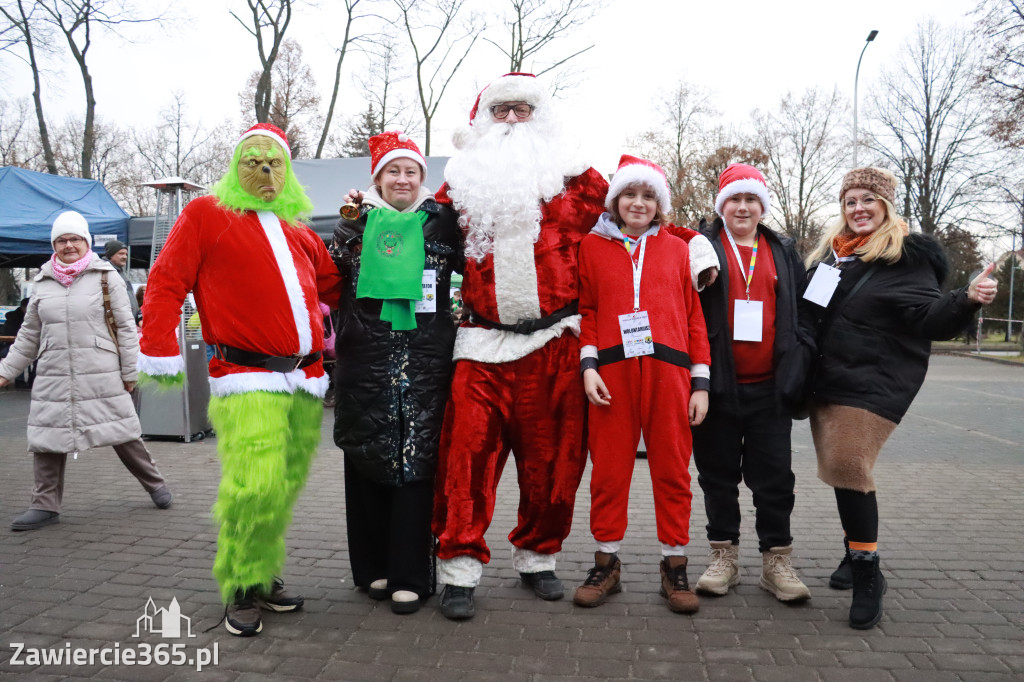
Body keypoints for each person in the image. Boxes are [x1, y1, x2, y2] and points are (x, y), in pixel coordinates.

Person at [138, 123, 342, 637]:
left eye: (275, 163)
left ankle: (263, 572)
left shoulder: (297, 228)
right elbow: (165, 281)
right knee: (255, 485)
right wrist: (160, 351)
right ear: (236, 167)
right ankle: (240, 586)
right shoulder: (206, 213)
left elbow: (336, 286)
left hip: (306, 380)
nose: (266, 171)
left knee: (285, 486)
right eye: (253, 161)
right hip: (245, 376)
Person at [429, 73, 609, 620]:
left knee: (553, 466)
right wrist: (365, 218)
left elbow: (639, 214)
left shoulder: (577, 183)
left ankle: (538, 558)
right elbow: (412, 229)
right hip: (481, 344)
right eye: (501, 110)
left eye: (522, 111)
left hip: (554, 345)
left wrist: (697, 247)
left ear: (541, 117)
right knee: (464, 463)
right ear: (483, 118)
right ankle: (458, 568)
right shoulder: (458, 186)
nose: (510, 120)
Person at [801, 167, 997, 629]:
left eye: (868, 199)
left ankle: (869, 573)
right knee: (840, 468)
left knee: (849, 464)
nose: (858, 208)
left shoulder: (905, 256)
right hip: (826, 381)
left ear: (886, 205)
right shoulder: (830, 259)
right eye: (850, 201)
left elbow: (929, 317)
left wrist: (966, 299)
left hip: (874, 382)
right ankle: (856, 552)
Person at [571, 155, 711, 614]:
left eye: (648, 195)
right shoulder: (590, 248)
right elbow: (587, 311)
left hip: (669, 373)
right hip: (611, 373)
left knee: (672, 470)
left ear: (659, 204)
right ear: (614, 200)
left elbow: (694, 318)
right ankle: (606, 564)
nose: (638, 202)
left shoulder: (679, 249)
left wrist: (700, 383)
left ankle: (674, 566)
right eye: (629, 194)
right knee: (609, 470)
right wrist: (588, 366)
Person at [332, 131, 460, 615]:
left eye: (411, 171)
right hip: (365, 361)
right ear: (378, 180)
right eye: (393, 171)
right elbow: (332, 276)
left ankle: (411, 574)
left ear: (422, 179)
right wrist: (359, 216)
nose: (402, 179)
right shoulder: (353, 224)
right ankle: (373, 569)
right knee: (367, 458)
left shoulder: (443, 223)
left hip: (427, 362)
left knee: (417, 463)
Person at [0, 211, 172, 531]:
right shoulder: (42, 282)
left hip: (101, 370)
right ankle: (44, 505)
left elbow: (125, 329)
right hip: (53, 372)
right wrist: (6, 370)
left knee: (124, 433)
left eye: (75, 239)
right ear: (54, 245)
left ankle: (156, 485)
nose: (68, 245)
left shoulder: (106, 276)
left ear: (87, 242)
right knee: (47, 437)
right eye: (61, 240)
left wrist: (129, 372)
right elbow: (29, 335)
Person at [690, 164, 812, 602]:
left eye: (750, 200)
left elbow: (804, 311)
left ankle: (776, 561)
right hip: (716, 387)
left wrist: (801, 358)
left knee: (775, 479)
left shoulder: (782, 250)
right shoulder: (700, 247)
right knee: (717, 478)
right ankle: (724, 557)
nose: (742, 207)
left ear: (762, 206)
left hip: (770, 388)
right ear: (722, 206)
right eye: (734, 200)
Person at [101, 239, 140, 323]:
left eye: (126, 254)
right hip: (115, 324)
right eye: (121, 254)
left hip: (127, 322)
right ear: (110, 255)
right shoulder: (104, 272)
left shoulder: (121, 272)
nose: (125, 257)